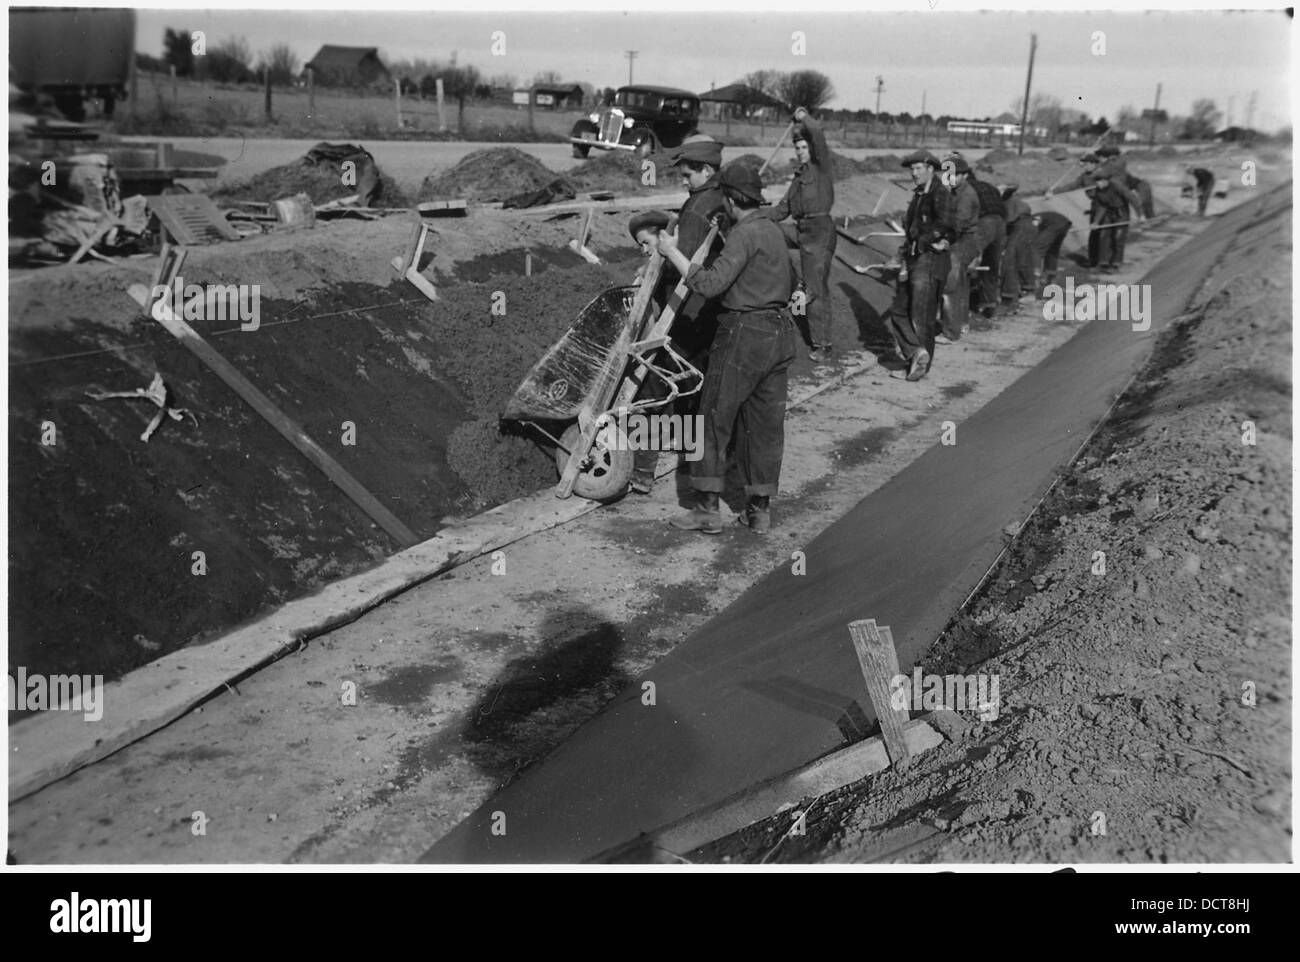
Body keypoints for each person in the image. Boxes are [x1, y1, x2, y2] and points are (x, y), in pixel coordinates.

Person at [651, 162, 797, 535]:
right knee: (763, 427)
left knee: (711, 419)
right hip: (780, 334)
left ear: (731, 200)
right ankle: (758, 511)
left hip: (744, 334)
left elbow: (711, 284)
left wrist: (672, 252)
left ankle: (706, 509)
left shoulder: (744, 234)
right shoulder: (773, 231)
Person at [627, 135, 730, 494]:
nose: (683, 181)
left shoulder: (700, 207)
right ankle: (689, 458)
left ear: (706, 170)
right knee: (690, 389)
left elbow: (683, 260)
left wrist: (655, 271)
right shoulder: (718, 200)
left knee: (651, 389)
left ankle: (641, 472)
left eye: (687, 174)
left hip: (687, 314)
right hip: (710, 315)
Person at [765, 107, 836, 364]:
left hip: (819, 232)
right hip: (800, 229)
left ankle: (822, 345)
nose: (800, 152)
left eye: (804, 148)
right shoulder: (799, 177)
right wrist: (756, 216)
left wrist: (802, 117)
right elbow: (782, 209)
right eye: (797, 148)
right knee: (769, 233)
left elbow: (816, 132)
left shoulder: (822, 167)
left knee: (815, 289)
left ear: (812, 150)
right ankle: (784, 287)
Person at [886, 150, 956, 382]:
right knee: (898, 310)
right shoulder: (918, 196)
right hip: (915, 259)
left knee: (921, 316)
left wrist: (926, 241)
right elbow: (912, 231)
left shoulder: (940, 193)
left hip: (931, 260)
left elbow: (946, 224)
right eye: (912, 169)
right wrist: (904, 255)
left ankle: (919, 368)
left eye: (918, 169)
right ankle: (916, 353)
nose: (914, 173)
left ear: (930, 170)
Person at [937, 154, 980, 344]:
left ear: (964, 175)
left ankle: (951, 331)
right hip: (962, 238)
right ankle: (962, 323)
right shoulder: (956, 192)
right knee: (961, 283)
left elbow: (958, 224)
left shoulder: (966, 195)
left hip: (964, 241)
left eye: (954, 175)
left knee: (950, 283)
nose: (950, 178)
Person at [965, 167, 1008, 320]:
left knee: (965, 258)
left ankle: (961, 307)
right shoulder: (989, 186)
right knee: (992, 264)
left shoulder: (965, 189)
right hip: (1001, 222)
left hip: (985, 222)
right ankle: (989, 304)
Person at [999, 184, 1037, 306]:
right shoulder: (1013, 202)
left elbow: (1007, 221)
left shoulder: (1008, 202)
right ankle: (1026, 290)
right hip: (1023, 226)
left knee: (1010, 259)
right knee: (1021, 259)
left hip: (1021, 226)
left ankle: (1009, 295)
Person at [1029, 209, 1072, 291]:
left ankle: (1035, 277)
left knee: (1036, 249)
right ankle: (1051, 277)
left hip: (1055, 225)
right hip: (1065, 224)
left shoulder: (1031, 219)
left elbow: (1033, 228)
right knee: (1052, 250)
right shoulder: (1040, 216)